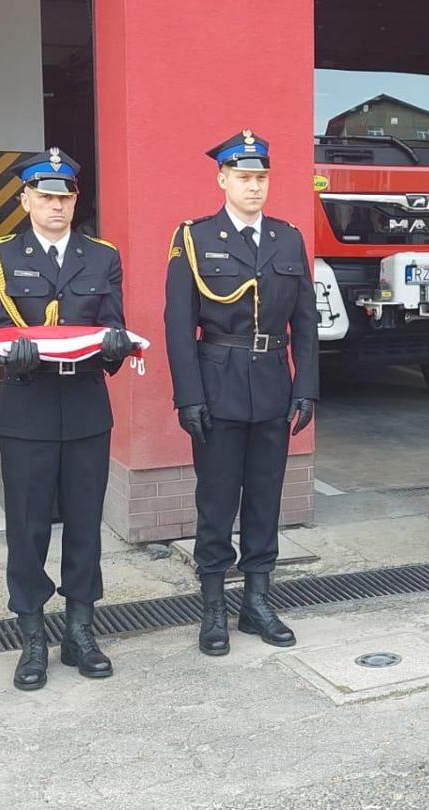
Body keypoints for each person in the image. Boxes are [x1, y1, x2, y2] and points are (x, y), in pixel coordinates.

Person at [0, 148, 133, 688]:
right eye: (45, 196)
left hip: (87, 406)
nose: (56, 205)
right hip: (28, 408)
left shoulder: (101, 255)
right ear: (24, 199)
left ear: (75, 200)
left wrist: (115, 347)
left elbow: (111, 324)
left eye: (64, 197)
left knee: (86, 525)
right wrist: (13, 354)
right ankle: (32, 636)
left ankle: (80, 630)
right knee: (28, 527)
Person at [165, 130, 319, 654]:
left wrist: (307, 388)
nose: (254, 187)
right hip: (218, 383)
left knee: (264, 499)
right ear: (223, 180)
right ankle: (212, 610)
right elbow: (176, 325)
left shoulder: (287, 238)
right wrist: (188, 396)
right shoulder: (195, 237)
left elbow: (306, 321)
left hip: (273, 382)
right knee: (215, 501)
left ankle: (257, 602)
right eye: (244, 178)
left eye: (261, 178)